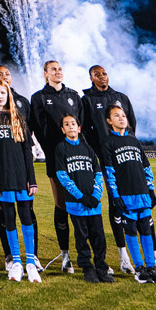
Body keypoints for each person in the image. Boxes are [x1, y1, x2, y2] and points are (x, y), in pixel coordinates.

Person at [81, 64, 147, 273]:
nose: (102, 77)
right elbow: (86, 130)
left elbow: (132, 124)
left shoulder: (121, 97)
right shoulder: (87, 100)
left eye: (104, 73)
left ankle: (150, 257)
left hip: (126, 160)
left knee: (137, 203)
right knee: (115, 202)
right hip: (105, 159)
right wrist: (98, 153)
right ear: (91, 78)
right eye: (97, 75)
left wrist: (125, 145)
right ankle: (123, 254)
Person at [29, 60, 84, 273]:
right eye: (53, 69)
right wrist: (51, 150)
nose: (58, 72)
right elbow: (38, 129)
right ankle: (65, 255)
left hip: (77, 157)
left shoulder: (74, 95)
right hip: (55, 157)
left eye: (60, 68)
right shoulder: (39, 97)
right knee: (61, 204)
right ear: (46, 74)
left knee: (81, 204)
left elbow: (81, 127)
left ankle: (83, 254)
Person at [102, 105, 156, 284]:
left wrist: (151, 189)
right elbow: (109, 171)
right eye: (116, 116)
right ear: (109, 121)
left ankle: (151, 267)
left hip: (142, 193)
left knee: (146, 229)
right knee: (130, 229)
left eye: (123, 115)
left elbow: (146, 167)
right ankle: (139, 268)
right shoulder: (108, 143)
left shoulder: (135, 141)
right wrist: (115, 196)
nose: (122, 118)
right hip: (125, 194)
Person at [0, 82, 41, 283]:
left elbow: (28, 152)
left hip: (21, 177)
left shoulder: (18, 118)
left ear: (8, 95)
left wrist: (31, 180)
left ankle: (31, 263)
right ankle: (16, 262)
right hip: (3, 179)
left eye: (3, 92)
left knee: (26, 218)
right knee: (9, 218)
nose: (0, 96)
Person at [52, 113, 112, 283]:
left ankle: (101, 267)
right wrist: (80, 197)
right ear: (63, 130)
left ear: (79, 128)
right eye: (67, 124)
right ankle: (87, 267)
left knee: (98, 237)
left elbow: (98, 173)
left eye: (73, 124)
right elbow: (62, 176)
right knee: (82, 237)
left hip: (93, 204)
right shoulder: (61, 148)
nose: (71, 126)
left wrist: (96, 195)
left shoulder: (88, 148)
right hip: (75, 204)